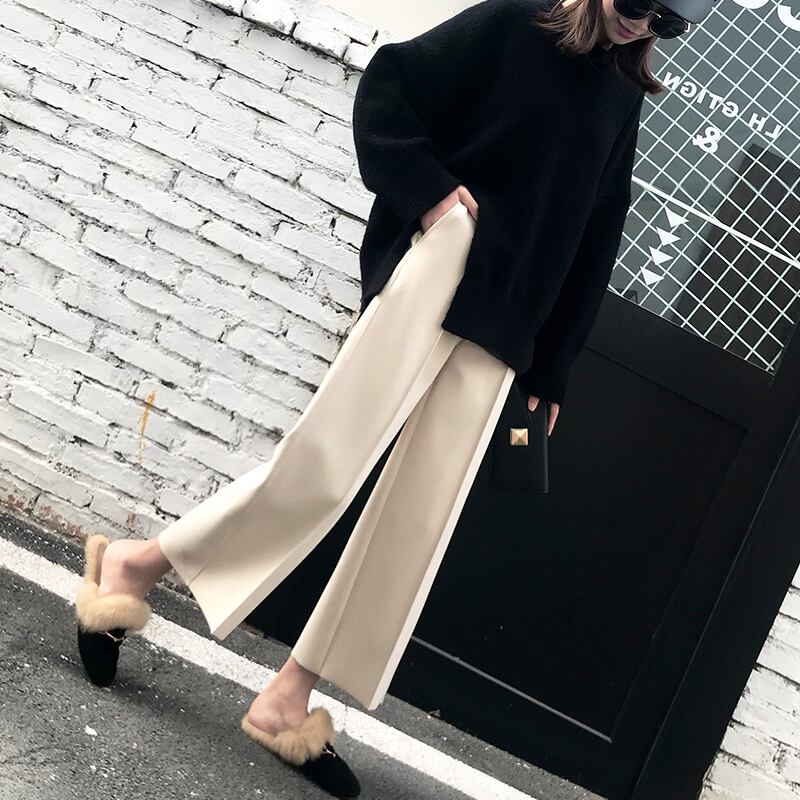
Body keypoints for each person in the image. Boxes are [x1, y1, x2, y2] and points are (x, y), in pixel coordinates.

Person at [71, 0, 710, 797]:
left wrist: (553, 368)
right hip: (437, 272)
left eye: (665, 23)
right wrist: (432, 196)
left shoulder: (617, 96)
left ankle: (288, 697)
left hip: (508, 325)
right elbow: (389, 85)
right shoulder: (515, 23)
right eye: (637, 4)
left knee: (416, 521)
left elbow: (595, 234)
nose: (642, 26)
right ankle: (134, 564)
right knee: (325, 464)